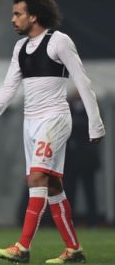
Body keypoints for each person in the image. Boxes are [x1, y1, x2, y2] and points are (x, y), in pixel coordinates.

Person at [0, 0, 105, 263]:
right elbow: (9, 88)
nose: (12, 19)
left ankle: (22, 247)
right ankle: (74, 250)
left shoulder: (59, 41)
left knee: (35, 179)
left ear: (34, 16)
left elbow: (82, 81)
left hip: (54, 118)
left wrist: (96, 124)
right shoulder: (20, 48)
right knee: (53, 186)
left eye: (17, 14)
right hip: (30, 123)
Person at [65, 91, 101, 226]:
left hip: (87, 160)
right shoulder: (68, 107)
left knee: (89, 191)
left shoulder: (91, 108)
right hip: (71, 160)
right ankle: (69, 220)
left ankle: (92, 221)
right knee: (70, 192)